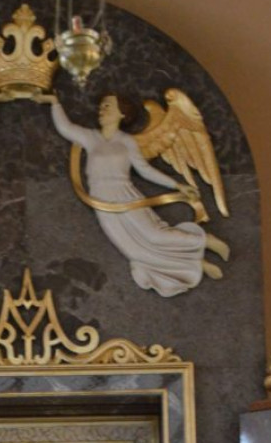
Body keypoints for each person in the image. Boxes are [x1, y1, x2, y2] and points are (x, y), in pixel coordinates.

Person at [49, 94, 229, 296]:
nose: (102, 109)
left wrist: (177, 185)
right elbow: (65, 128)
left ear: (121, 113)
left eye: (108, 106)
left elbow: (144, 170)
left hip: (125, 194)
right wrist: (54, 102)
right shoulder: (91, 138)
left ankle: (205, 241)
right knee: (133, 251)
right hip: (101, 200)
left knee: (154, 235)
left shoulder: (126, 142)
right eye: (101, 106)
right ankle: (197, 266)